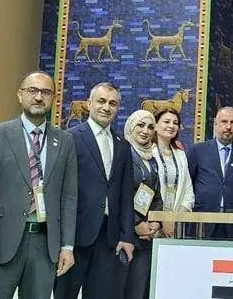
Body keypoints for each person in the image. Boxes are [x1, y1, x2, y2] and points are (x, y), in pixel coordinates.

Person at [0, 71, 78, 299]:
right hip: (0, 244)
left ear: (53, 98)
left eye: (46, 92)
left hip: (45, 245)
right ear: (20, 95)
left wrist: (67, 246)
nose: (39, 97)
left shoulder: (65, 141)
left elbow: (69, 197)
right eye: (32, 90)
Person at [55, 82, 135, 299]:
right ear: (89, 103)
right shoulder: (70, 138)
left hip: (108, 237)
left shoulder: (123, 145)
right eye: (101, 101)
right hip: (75, 235)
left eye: (112, 103)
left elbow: (126, 195)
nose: (106, 107)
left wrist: (127, 236)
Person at [187, 106, 233, 239]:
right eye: (224, 122)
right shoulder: (198, 151)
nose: (228, 127)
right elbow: (188, 185)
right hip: (203, 221)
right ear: (215, 123)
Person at [123, 110, 164, 299]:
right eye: (140, 125)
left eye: (150, 127)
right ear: (130, 126)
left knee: (139, 292)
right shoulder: (122, 154)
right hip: (126, 235)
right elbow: (119, 195)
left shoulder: (152, 159)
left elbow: (156, 196)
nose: (145, 131)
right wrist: (136, 223)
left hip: (147, 236)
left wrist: (155, 222)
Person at [152, 108, 195, 222]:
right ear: (155, 125)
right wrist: (158, 221)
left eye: (175, 123)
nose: (171, 126)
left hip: (176, 219)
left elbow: (188, 192)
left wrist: (174, 219)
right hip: (151, 219)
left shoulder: (181, 154)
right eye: (166, 122)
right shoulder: (148, 152)